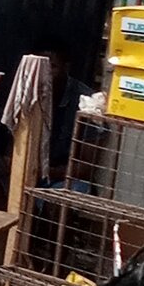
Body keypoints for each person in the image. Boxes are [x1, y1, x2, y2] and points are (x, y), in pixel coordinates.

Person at [36, 35, 93, 186]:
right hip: (28, 173)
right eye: (41, 67)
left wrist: (48, 172)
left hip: (61, 178)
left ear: (65, 68)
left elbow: (86, 167)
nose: (46, 74)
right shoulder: (26, 93)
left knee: (78, 189)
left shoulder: (85, 101)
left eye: (53, 67)